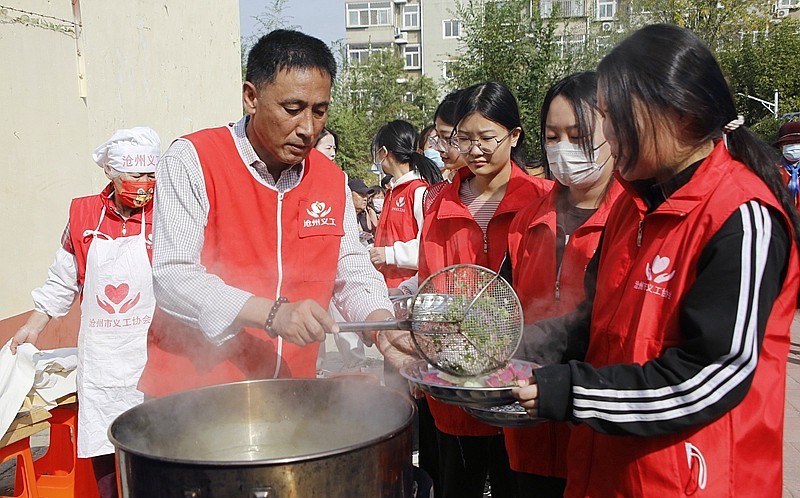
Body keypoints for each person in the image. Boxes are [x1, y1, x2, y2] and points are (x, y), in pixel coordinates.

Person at [513, 24, 800, 497]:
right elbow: (594, 321)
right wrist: (514, 347)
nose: (605, 134)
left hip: (693, 476)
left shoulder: (741, 218)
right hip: (614, 470)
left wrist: (574, 391)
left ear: (677, 116)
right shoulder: (631, 204)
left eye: (613, 116)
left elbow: (712, 375)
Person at [137, 29, 397, 397]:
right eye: (292, 109)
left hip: (289, 393)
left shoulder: (330, 180)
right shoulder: (194, 159)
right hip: (193, 397)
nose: (307, 129)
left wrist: (381, 323)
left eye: (319, 111)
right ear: (251, 97)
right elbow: (173, 276)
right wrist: (272, 314)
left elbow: (350, 269)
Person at [410, 81, 553, 498]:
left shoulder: (543, 199)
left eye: (488, 138)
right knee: (460, 484)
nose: (476, 150)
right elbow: (430, 284)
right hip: (459, 381)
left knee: (519, 483)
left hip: (521, 383)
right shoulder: (442, 206)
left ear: (514, 135)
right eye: (465, 139)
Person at [10, 127, 161, 495]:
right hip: (103, 361)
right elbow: (63, 278)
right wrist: (35, 324)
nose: (143, 183)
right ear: (110, 172)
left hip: (155, 354)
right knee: (106, 450)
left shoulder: (170, 212)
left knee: (157, 448)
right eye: (135, 174)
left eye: (150, 174)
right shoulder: (83, 214)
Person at [503, 72, 621, 497]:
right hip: (528, 425)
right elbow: (501, 303)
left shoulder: (632, 220)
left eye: (578, 135)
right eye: (553, 136)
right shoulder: (526, 219)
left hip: (596, 425)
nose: (564, 149)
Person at [369, 120, 442, 287]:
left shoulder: (419, 191)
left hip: (409, 290)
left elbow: (429, 248)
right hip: (387, 287)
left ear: (384, 152)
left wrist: (389, 254)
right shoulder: (393, 190)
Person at [774, 121, 800, 209]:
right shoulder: (772, 171)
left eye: (798, 142)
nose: (794, 146)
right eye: (788, 143)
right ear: (781, 146)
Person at [349, 177, 376, 245]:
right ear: (349, 194)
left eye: (366, 195)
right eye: (361, 194)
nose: (365, 198)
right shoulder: (342, 217)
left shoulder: (363, 214)